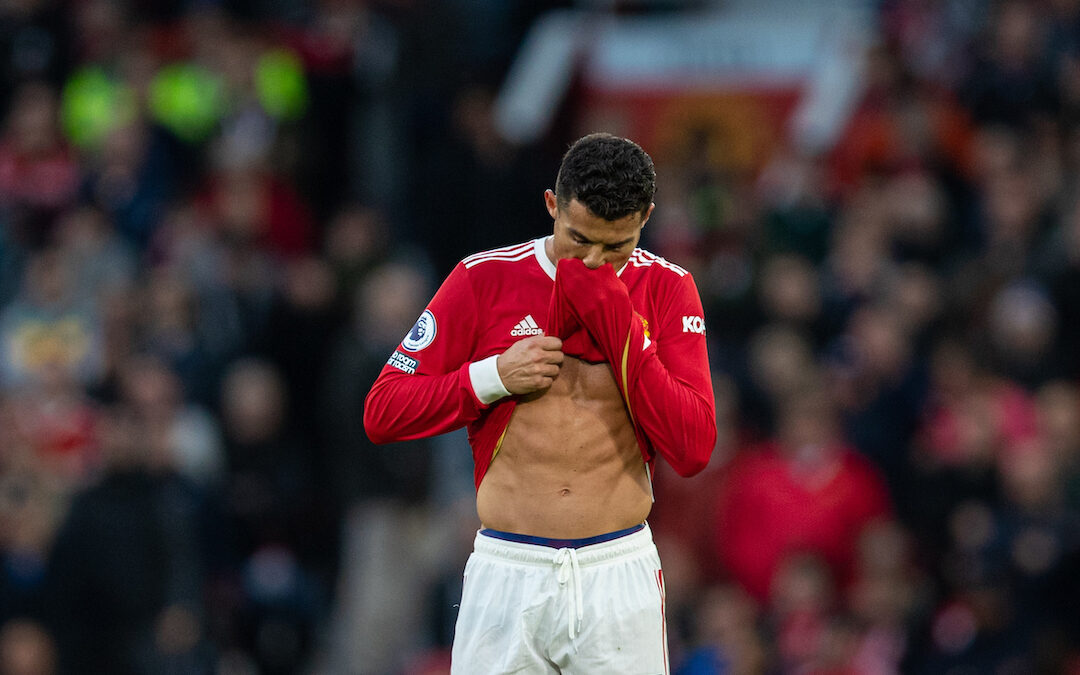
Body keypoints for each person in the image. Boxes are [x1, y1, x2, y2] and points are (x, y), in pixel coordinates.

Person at [364, 132, 716, 672]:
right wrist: (493, 376)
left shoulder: (668, 288)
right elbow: (384, 410)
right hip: (508, 569)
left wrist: (616, 320)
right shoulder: (483, 279)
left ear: (646, 218)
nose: (595, 261)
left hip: (617, 569)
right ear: (552, 204)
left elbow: (692, 448)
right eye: (579, 239)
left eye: (616, 245)